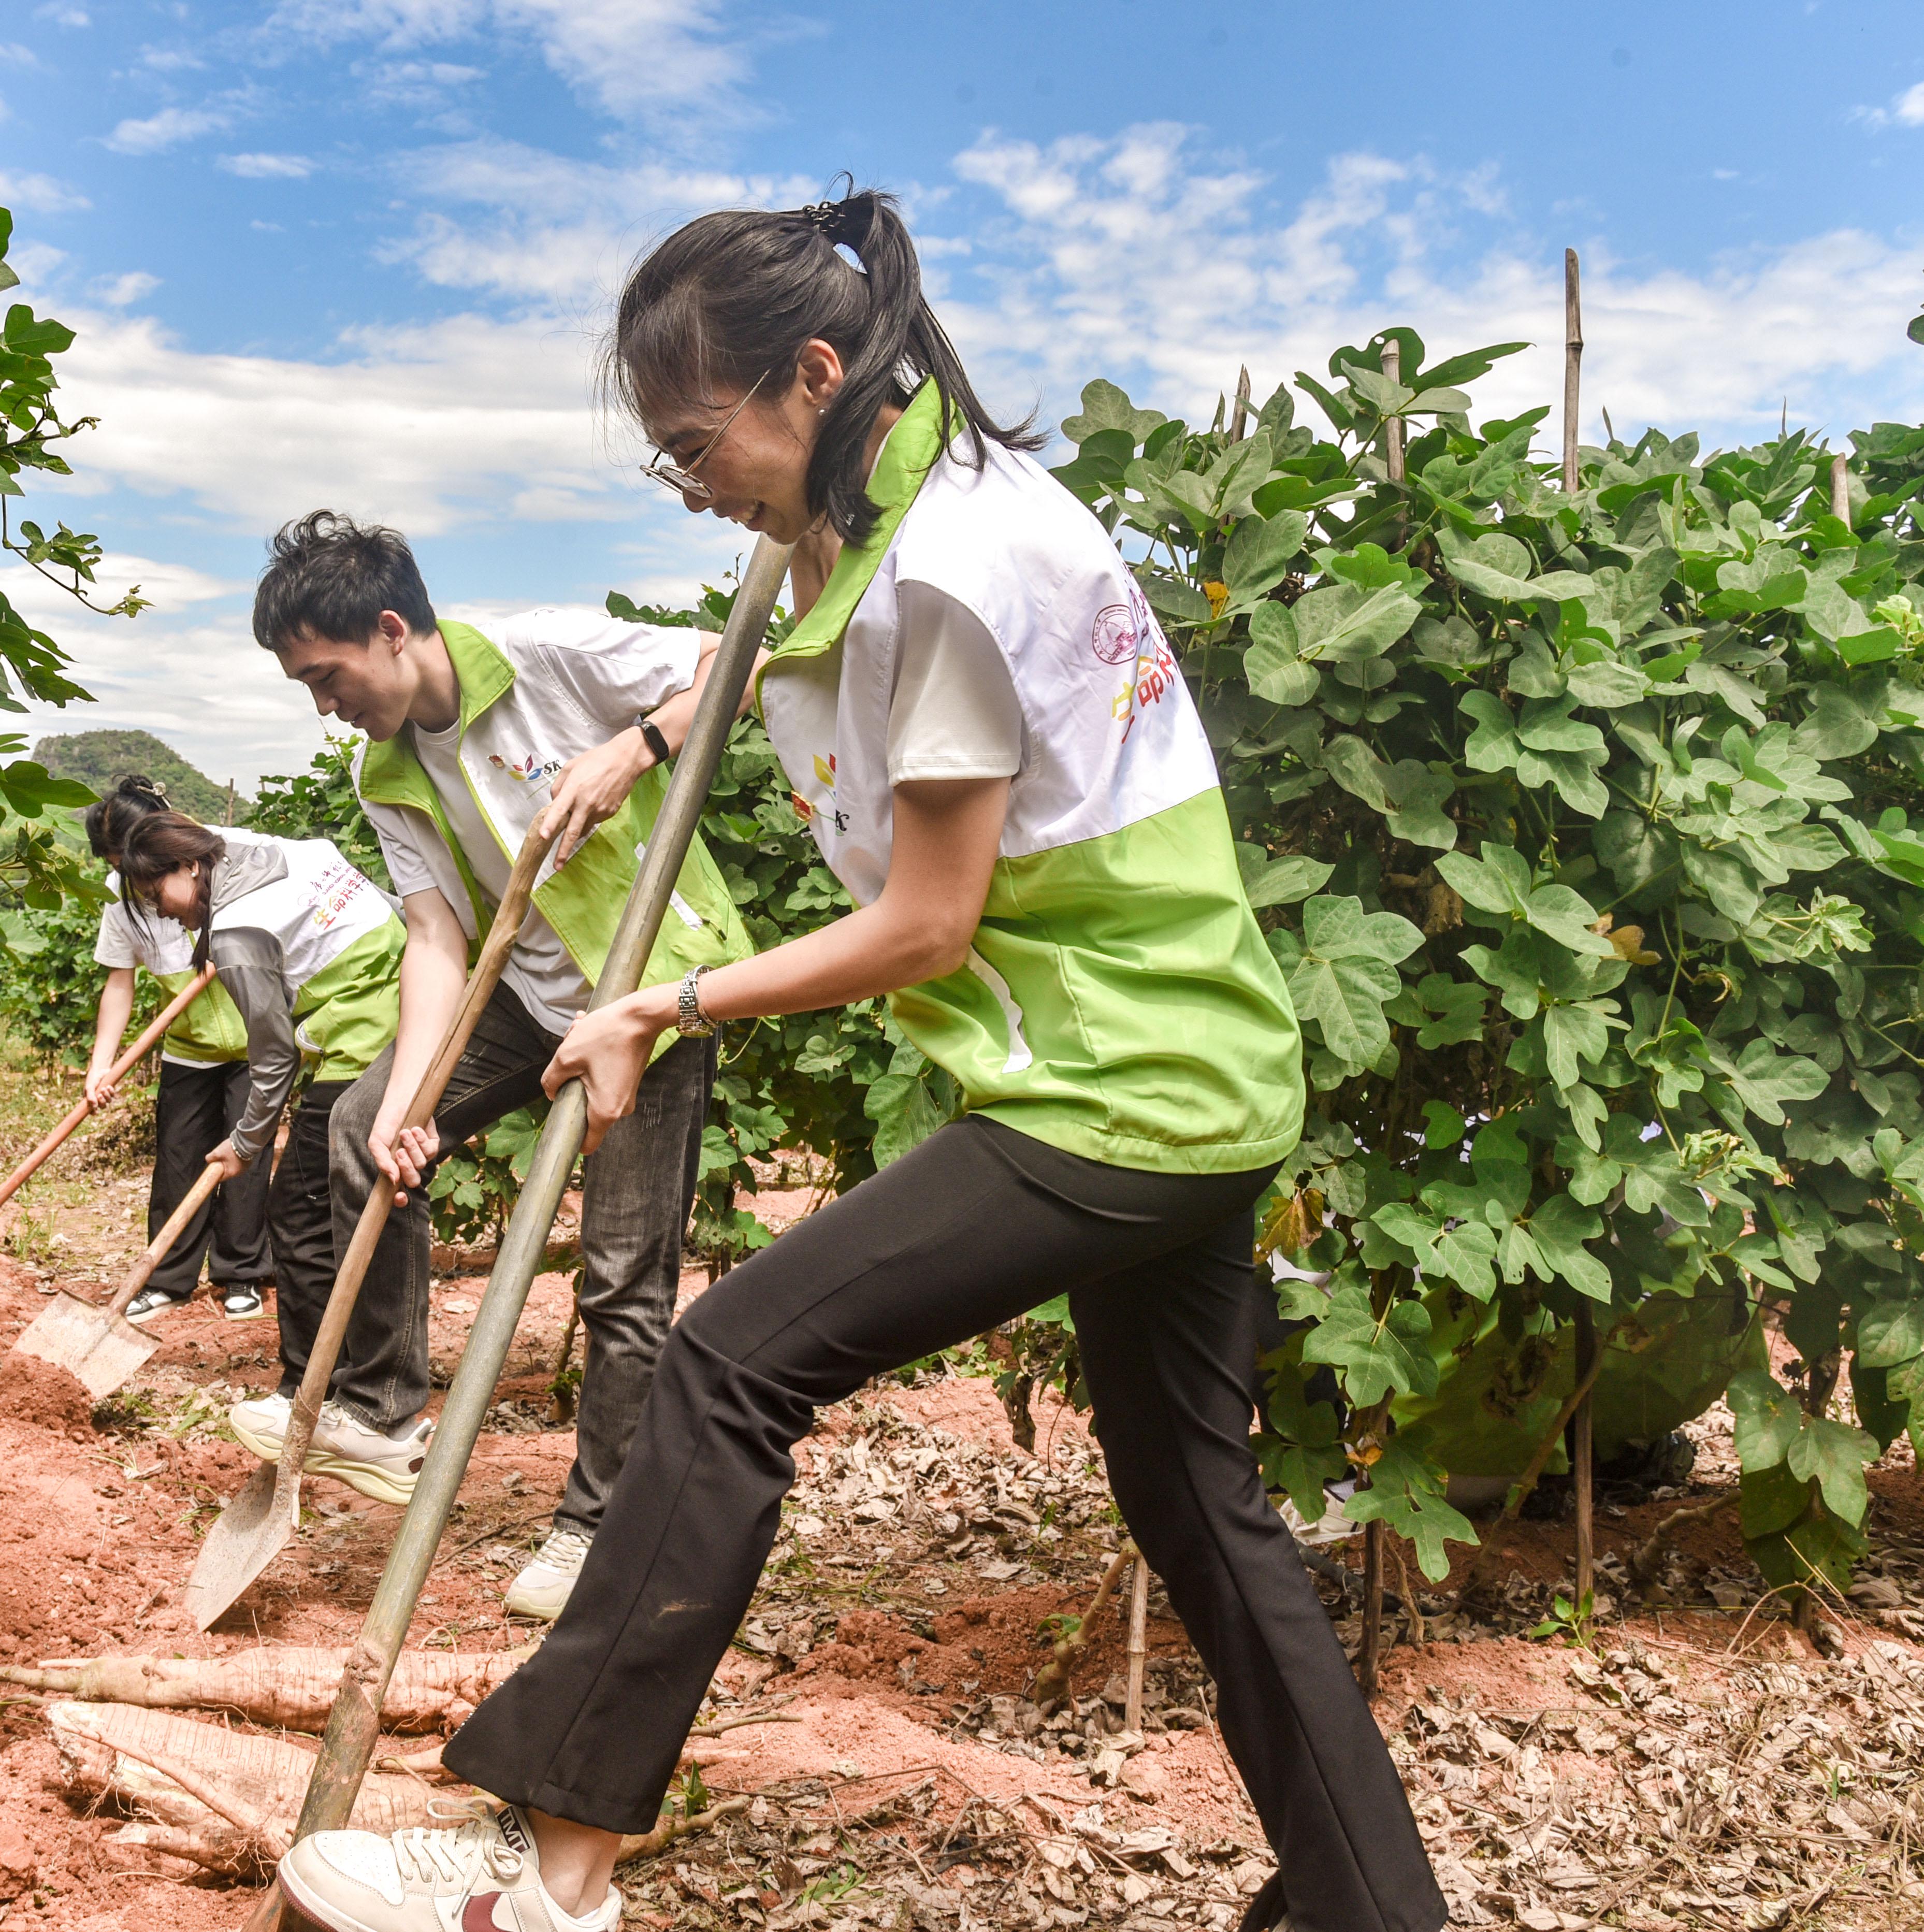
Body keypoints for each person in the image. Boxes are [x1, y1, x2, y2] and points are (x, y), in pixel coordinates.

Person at [275, 191, 1445, 1932]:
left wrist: (660, 1006)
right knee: (1196, 1497)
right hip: (1181, 1068)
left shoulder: (953, 566)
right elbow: (779, 678)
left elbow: (926, 926)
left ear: (815, 376)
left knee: (724, 1363)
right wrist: (709, 656)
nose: (689, 488)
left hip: (1111, 1089)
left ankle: (549, 1867)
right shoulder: (868, 529)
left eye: (697, 446)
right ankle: (1375, 1911)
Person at [241, 510, 754, 1619]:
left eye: (326, 676)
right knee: (361, 1130)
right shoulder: (384, 774)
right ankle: (384, 1410)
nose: (325, 705)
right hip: (522, 999)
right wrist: (412, 1101)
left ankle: (595, 1528)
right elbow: (435, 937)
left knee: (621, 1274)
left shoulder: (545, 653)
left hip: (645, 994)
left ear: (390, 630)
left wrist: (637, 745)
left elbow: (738, 659)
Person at [103, 804, 406, 1428]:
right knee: (337, 1207)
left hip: (363, 1036)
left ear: (189, 866)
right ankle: (339, 1379)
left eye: (156, 892)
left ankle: (311, 1389)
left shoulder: (236, 933)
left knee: (297, 1210)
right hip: (404, 1005)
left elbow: (272, 1056)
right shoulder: (282, 852)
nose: (161, 911)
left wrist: (243, 1144)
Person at [80, 777, 273, 1321]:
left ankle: (241, 1272)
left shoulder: (227, 855)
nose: (133, 878)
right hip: (189, 1047)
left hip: (256, 1040)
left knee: (246, 1156)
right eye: (121, 868)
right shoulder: (122, 902)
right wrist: (102, 1065)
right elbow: (119, 982)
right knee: (178, 1159)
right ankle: (167, 1277)